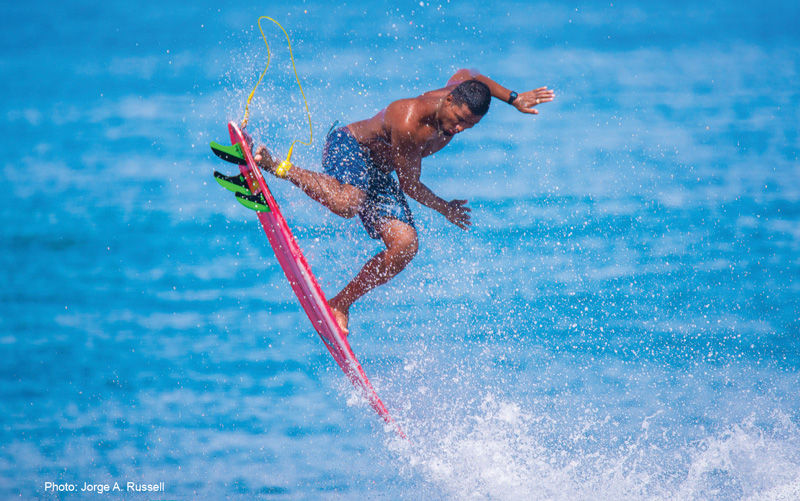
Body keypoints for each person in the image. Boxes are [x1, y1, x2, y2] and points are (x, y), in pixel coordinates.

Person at [254, 68, 555, 335]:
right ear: (449, 101)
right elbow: (409, 185)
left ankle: (340, 303)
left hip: (378, 173)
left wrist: (514, 98)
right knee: (349, 203)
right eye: (460, 120)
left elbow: (473, 76)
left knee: (406, 244)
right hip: (348, 146)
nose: (459, 129)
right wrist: (445, 208)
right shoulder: (411, 121)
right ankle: (277, 165)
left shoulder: (459, 91)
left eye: (469, 126)